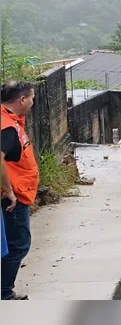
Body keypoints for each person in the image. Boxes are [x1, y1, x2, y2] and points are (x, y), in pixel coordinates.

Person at [1, 80, 37, 300]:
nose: (33, 102)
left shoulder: (9, 120)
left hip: (17, 192)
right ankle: (4, 293)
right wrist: (9, 190)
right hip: (13, 197)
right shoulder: (6, 127)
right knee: (18, 245)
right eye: (31, 97)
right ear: (22, 99)